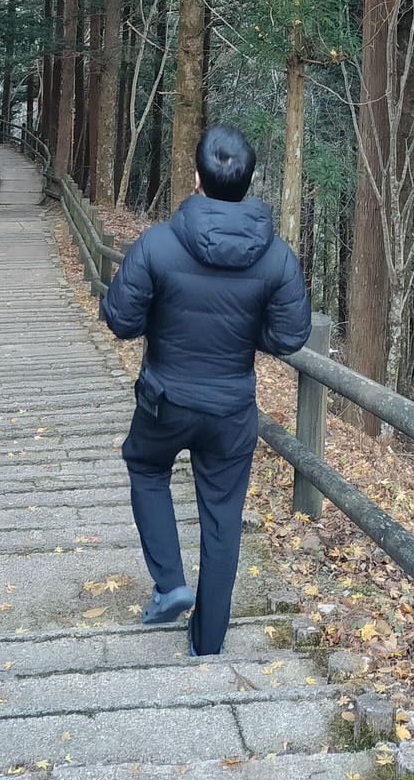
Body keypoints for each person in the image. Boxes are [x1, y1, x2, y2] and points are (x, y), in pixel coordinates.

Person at [100, 122, 311, 657]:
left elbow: (121, 320)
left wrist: (160, 320)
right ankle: (208, 643)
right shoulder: (277, 257)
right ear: (249, 181)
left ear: (196, 176)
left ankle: (170, 581)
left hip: (165, 399)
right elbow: (290, 336)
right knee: (222, 518)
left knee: (146, 467)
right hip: (231, 408)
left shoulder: (158, 243)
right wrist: (243, 332)